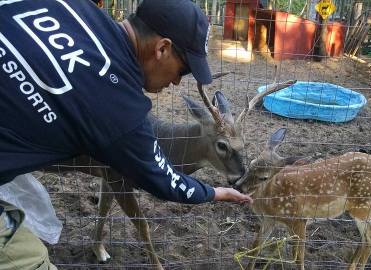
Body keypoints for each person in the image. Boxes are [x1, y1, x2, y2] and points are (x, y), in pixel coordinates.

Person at [0, 0, 252, 269]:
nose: (178, 82)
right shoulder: (119, 108)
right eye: (183, 70)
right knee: (33, 261)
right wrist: (215, 193)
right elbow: (164, 181)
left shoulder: (74, 7)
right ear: (162, 48)